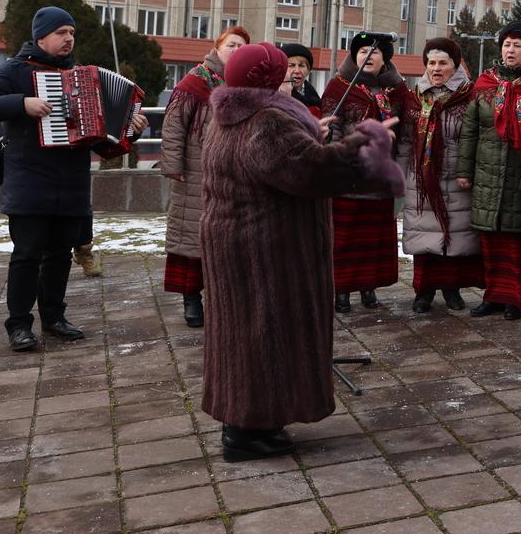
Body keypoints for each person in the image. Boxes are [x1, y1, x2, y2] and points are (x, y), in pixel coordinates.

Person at [199, 43, 403, 461]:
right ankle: (246, 433)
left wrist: (312, 135)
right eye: (282, 71)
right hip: (268, 247)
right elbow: (309, 172)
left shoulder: (229, 114)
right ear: (269, 78)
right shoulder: (268, 119)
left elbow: (279, 160)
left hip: (236, 240)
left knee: (241, 335)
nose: (290, 77)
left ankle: (250, 420)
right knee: (264, 335)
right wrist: (366, 143)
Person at [0, 6, 147, 351]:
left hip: (72, 182)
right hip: (29, 182)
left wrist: (131, 130)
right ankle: (19, 325)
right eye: (61, 32)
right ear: (41, 37)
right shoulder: (16, 71)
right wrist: (23, 104)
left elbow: (104, 143)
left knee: (61, 255)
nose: (69, 39)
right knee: (26, 255)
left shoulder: (84, 77)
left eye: (72, 33)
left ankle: (53, 318)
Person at [457, 21, 521, 320]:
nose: (510, 50)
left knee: (519, 240)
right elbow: (470, 130)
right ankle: (494, 296)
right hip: (487, 174)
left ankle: (518, 299)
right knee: (492, 241)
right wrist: (464, 171)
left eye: (517, 45)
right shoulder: (486, 84)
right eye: (507, 44)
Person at [160, 27, 250, 328]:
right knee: (193, 240)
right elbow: (174, 125)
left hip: (233, 175)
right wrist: (174, 165)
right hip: (196, 172)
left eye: (242, 47)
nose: (236, 50)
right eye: (231, 44)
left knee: (228, 241)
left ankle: (223, 300)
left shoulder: (244, 84)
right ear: (217, 47)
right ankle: (191, 300)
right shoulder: (196, 80)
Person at [322, 32, 412, 313]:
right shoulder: (339, 87)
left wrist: (399, 170)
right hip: (348, 177)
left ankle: (368, 287)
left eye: (374, 52)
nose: (367, 56)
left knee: (372, 239)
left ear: (385, 59)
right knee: (345, 239)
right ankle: (341, 290)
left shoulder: (397, 90)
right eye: (362, 51)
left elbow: (406, 132)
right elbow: (332, 128)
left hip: (380, 179)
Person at [401, 37, 481, 314]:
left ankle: (451, 289)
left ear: (455, 65)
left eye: (443, 63)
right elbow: (406, 140)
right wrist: (399, 174)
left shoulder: (469, 96)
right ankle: (423, 292)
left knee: (453, 237)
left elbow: (476, 137)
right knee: (423, 238)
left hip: (457, 178)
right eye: (431, 63)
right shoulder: (415, 97)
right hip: (421, 180)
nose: (436, 68)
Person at [279, 43, 322, 116]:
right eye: (291, 65)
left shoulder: (316, 101)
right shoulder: (275, 97)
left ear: (308, 70)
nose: (297, 71)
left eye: (301, 66)